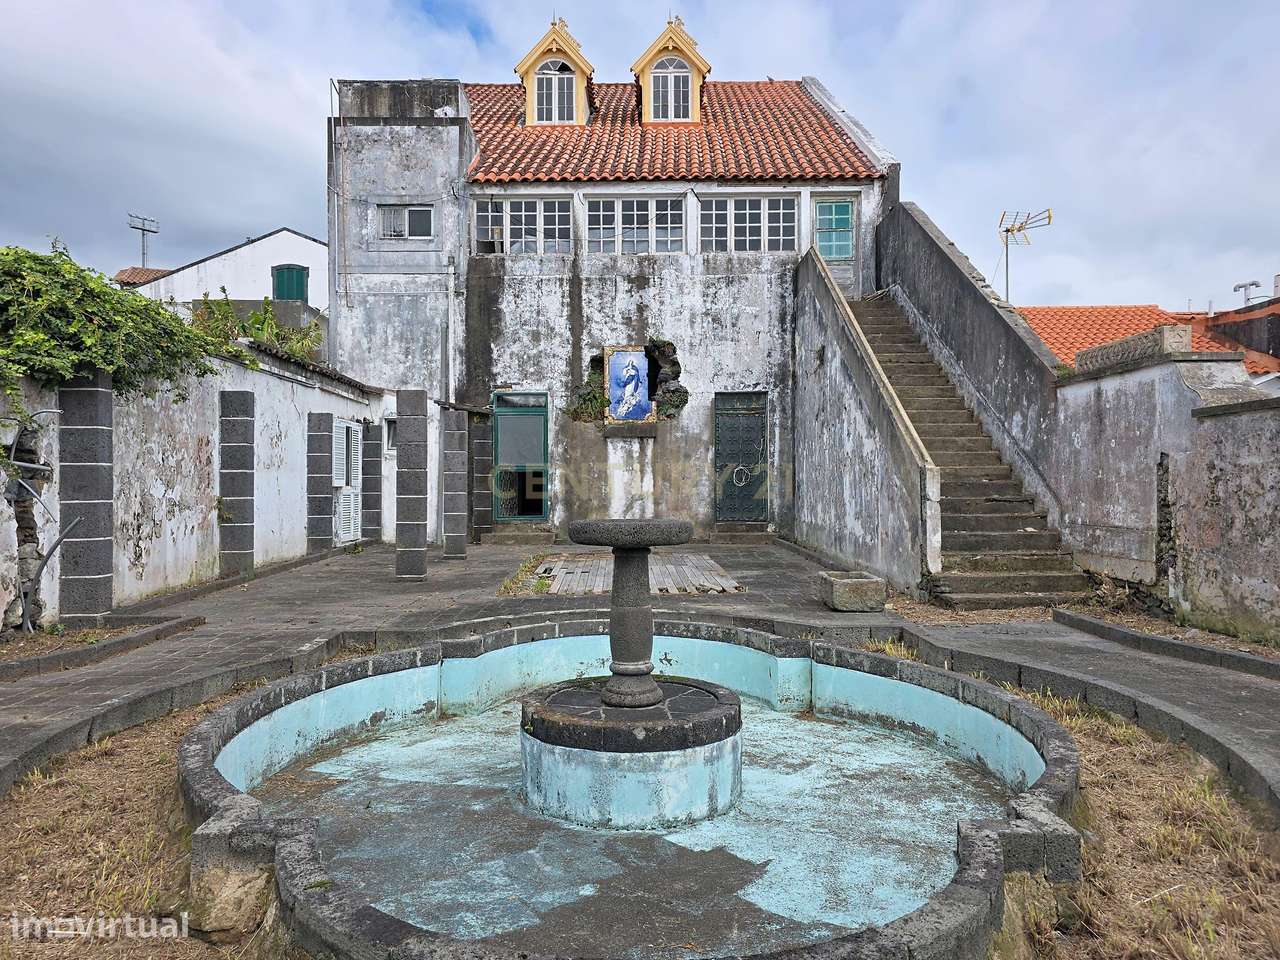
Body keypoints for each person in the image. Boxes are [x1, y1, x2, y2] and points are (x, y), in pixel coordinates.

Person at [610, 355, 652, 420]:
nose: (631, 362)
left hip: (633, 382)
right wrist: (627, 369)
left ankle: (629, 401)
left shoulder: (635, 367)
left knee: (631, 390)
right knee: (627, 390)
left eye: (632, 361)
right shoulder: (626, 367)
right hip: (628, 382)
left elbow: (636, 373)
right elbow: (624, 373)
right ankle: (625, 402)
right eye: (630, 361)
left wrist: (632, 372)